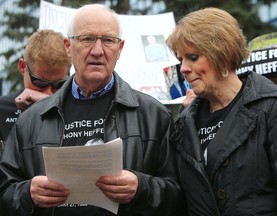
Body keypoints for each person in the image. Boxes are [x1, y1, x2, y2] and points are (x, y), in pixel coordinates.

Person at [0, 4, 185, 216]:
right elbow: (4, 193)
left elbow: (180, 197)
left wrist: (142, 188)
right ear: (68, 47)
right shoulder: (31, 120)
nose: (97, 51)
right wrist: (27, 194)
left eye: (108, 40)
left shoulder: (153, 115)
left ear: (120, 49)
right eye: (87, 39)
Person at [166, 7, 277, 216]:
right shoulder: (183, 122)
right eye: (181, 60)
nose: (184, 68)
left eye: (193, 57)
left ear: (221, 55)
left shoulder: (273, 107)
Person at [0, 29, 71, 157]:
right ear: (22, 67)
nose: (49, 92)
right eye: (40, 82)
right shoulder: (2, 109)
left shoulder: (76, 110)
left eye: (58, 85)